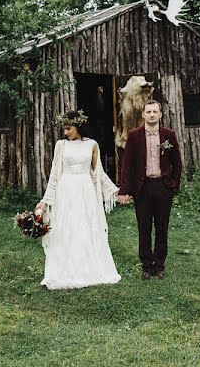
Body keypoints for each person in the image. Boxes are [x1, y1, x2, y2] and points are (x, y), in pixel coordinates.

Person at [34, 109, 125, 290]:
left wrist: (115, 192)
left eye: (68, 128)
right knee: (67, 228)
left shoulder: (92, 144)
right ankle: (65, 268)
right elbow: (54, 175)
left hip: (85, 191)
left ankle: (88, 267)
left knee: (86, 226)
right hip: (66, 190)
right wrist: (45, 201)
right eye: (64, 129)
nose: (65, 132)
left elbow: (98, 173)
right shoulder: (61, 145)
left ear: (79, 127)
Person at [117, 99, 183, 280]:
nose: (152, 115)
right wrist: (125, 189)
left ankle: (159, 265)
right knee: (144, 227)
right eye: (149, 112)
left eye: (155, 112)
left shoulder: (169, 135)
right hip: (143, 187)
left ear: (160, 114)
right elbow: (127, 164)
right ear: (143, 115)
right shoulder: (134, 135)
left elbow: (177, 163)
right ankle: (147, 265)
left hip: (163, 186)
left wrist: (173, 185)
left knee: (162, 227)